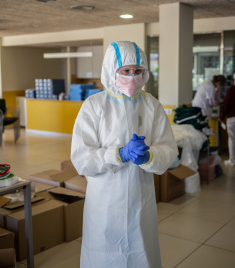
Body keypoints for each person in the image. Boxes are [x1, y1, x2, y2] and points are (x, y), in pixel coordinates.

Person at [71, 41, 178, 268]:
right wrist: (118, 154)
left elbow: (168, 149)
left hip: (141, 196)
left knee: (141, 252)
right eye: (125, 71)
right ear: (112, 70)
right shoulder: (94, 105)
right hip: (105, 200)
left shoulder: (152, 106)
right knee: (103, 254)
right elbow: (81, 158)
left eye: (138, 71)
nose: (132, 77)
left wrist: (150, 157)